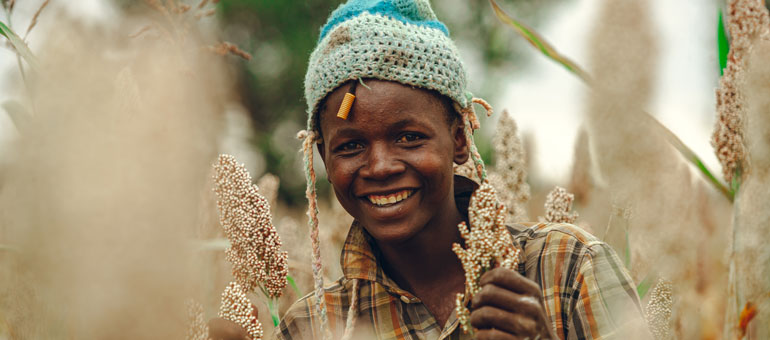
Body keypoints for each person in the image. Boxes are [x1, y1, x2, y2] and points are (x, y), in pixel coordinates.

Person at [211, 0, 650, 339]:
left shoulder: (567, 267)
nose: (380, 166)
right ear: (324, 158)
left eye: (409, 137)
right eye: (352, 145)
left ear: (459, 138)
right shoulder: (314, 325)